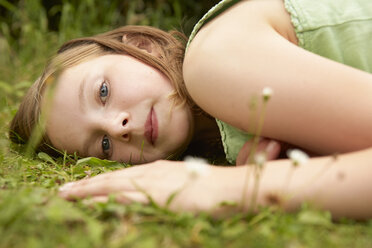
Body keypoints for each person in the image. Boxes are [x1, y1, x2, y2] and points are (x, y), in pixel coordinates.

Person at [9, 0, 372, 219]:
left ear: (143, 46)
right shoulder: (239, 135)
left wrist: (235, 188)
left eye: (103, 92)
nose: (118, 127)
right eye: (103, 145)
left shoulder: (214, 60)